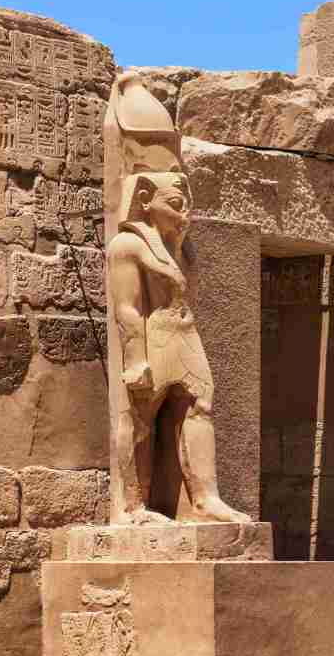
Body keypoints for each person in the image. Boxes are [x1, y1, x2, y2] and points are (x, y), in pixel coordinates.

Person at [105, 74, 248, 525]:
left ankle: (205, 498)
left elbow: (190, 292)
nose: (185, 211)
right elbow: (126, 308)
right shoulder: (127, 245)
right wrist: (134, 359)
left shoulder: (183, 249)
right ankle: (132, 506)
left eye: (187, 200)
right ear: (146, 199)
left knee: (200, 406)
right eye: (176, 202)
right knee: (140, 416)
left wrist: (180, 241)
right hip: (151, 338)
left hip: (184, 334)